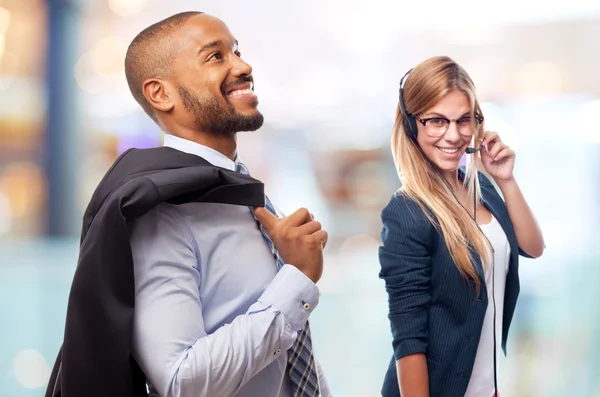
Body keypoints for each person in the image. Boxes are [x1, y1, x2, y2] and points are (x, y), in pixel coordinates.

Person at [45, 11, 330, 397]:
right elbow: (181, 381)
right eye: (215, 57)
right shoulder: (161, 210)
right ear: (160, 93)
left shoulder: (239, 188)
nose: (244, 66)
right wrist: (295, 278)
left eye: (237, 52)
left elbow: (286, 365)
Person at [378, 56, 545, 397]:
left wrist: (507, 180)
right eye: (437, 121)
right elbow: (408, 336)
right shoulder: (407, 211)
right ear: (412, 125)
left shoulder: (478, 187)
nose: (453, 135)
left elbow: (532, 247)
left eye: (463, 120)